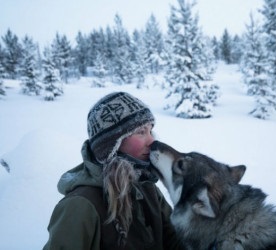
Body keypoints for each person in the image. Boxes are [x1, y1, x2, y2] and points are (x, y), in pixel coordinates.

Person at [43, 92, 184, 250]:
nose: (153, 141)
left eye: (150, 131)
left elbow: (175, 240)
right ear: (111, 144)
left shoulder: (146, 186)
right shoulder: (80, 205)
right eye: (141, 132)